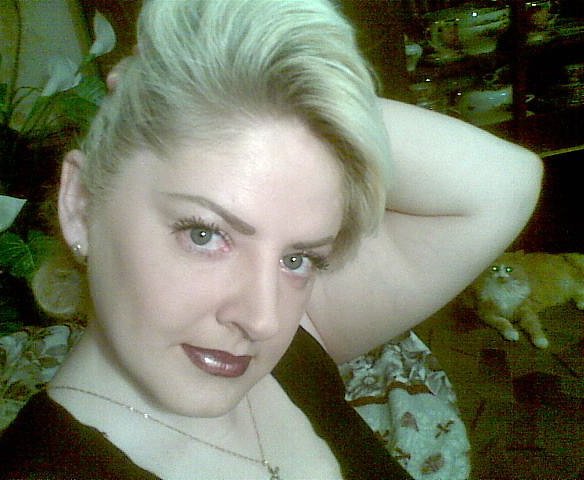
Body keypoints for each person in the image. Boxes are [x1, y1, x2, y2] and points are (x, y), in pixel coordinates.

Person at [0, 0, 542, 479]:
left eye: (298, 258)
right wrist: (188, 83)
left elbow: (505, 183)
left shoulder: (298, 341)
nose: (263, 321)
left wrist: (276, 95)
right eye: (204, 234)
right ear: (81, 205)